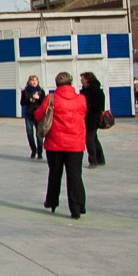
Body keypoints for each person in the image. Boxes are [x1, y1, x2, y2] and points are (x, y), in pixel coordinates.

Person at [34, 72, 87, 219]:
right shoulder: (81, 99)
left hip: (55, 144)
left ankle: (52, 201)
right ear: (71, 83)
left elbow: (38, 115)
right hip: (76, 144)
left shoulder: (51, 98)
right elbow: (84, 114)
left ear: (57, 83)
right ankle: (77, 207)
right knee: (75, 175)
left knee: (55, 173)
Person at [81, 72, 106, 168]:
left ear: (88, 79)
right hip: (85, 119)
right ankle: (100, 158)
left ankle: (93, 161)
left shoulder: (96, 91)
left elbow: (99, 106)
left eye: (83, 78)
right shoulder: (84, 91)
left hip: (93, 119)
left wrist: (87, 107)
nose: (81, 80)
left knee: (89, 139)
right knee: (94, 139)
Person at [20, 75, 46, 159]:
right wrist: (30, 99)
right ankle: (33, 150)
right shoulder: (25, 91)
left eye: (36, 80)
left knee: (39, 134)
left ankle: (40, 152)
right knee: (29, 133)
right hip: (29, 114)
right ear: (29, 82)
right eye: (32, 80)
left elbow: (44, 103)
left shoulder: (41, 91)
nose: (34, 82)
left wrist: (38, 98)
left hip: (38, 114)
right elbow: (22, 103)